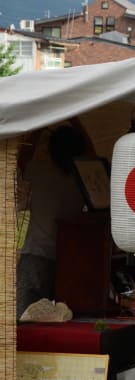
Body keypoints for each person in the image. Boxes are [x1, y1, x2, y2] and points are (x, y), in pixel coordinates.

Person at [16, 124, 89, 320]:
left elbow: (21, 159)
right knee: (47, 322)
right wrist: (78, 122)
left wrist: (38, 126)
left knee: (21, 321)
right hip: (65, 261)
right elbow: (93, 157)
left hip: (36, 258)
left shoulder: (40, 172)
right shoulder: (82, 178)